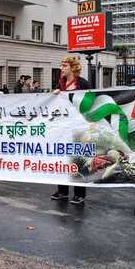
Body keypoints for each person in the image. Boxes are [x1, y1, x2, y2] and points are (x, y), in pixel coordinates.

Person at [51, 55, 91, 206]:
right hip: (63, 128)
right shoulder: (60, 84)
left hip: (79, 128)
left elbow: (89, 103)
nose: (61, 68)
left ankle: (80, 193)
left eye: (64, 65)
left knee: (78, 160)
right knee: (62, 158)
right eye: (61, 65)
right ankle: (62, 191)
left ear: (73, 68)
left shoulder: (83, 84)